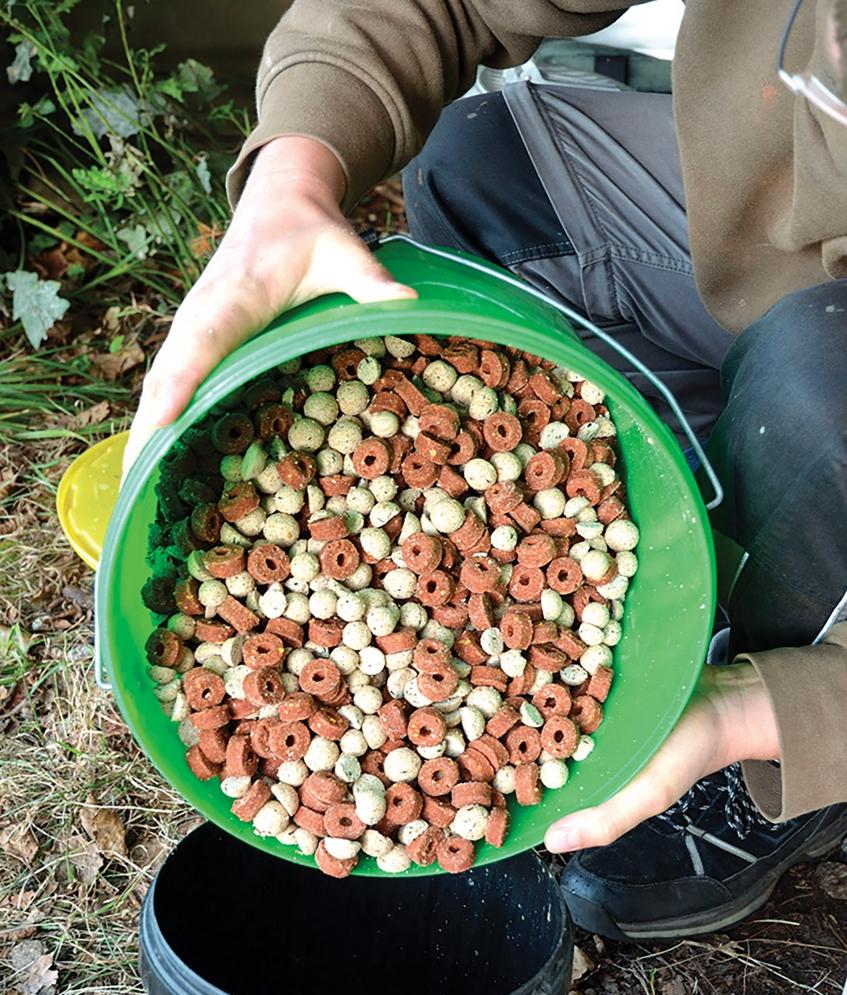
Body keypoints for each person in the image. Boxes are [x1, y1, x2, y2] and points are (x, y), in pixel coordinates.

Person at [123, 0, 847, 941]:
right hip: (783, 208)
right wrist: (292, 173)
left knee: (820, 384)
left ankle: (779, 738)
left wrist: (768, 712)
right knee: (480, 160)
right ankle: (695, 458)